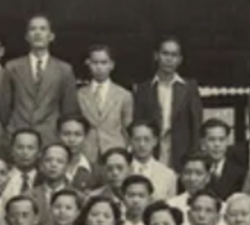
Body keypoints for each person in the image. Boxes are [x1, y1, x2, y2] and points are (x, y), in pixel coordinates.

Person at [0, 14, 80, 145]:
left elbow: (69, 110)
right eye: (33, 29)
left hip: (50, 139)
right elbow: (4, 107)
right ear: (27, 37)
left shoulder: (64, 70)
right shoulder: (12, 67)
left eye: (43, 29)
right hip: (18, 137)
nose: (38, 33)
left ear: (51, 36)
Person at [135, 36, 204, 168]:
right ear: (156, 56)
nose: (169, 59)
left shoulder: (189, 88)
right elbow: (138, 123)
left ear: (179, 60)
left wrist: (194, 156)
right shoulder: (144, 89)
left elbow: (196, 125)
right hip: (151, 151)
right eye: (165, 53)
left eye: (174, 55)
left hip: (181, 153)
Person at [78, 44, 132, 165]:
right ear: (88, 64)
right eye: (95, 63)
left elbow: (127, 128)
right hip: (87, 151)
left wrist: (127, 150)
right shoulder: (79, 95)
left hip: (115, 150)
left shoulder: (124, 95)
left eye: (103, 62)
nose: (99, 67)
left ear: (111, 65)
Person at [128, 120, 178, 200]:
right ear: (130, 141)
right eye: (137, 139)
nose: (142, 144)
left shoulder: (168, 175)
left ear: (155, 141)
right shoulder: (123, 170)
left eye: (146, 139)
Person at [205, 119, 249, 199]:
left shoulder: (240, 173)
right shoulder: (196, 170)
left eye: (221, 140)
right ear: (203, 143)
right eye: (212, 139)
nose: (217, 144)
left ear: (227, 142)